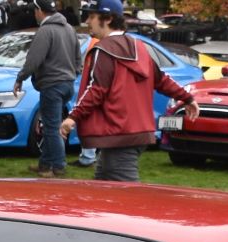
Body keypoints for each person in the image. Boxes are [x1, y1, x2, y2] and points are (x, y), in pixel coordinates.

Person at [60, 0, 194, 181]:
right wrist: (187, 98)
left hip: (119, 133)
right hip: (136, 132)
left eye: (92, 16)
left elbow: (96, 90)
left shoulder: (104, 50)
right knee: (102, 185)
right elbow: (161, 80)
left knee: (128, 196)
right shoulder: (139, 47)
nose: (87, 21)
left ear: (107, 19)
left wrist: (72, 117)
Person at [12, 0, 79, 178]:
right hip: (67, 84)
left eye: (35, 10)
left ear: (40, 11)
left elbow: (33, 60)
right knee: (51, 125)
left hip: (52, 85)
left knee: (51, 128)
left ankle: (57, 166)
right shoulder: (69, 29)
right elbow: (78, 58)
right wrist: (73, 73)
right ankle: (45, 163)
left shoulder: (45, 30)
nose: (34, 13)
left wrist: (20, 78)